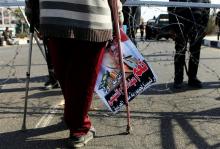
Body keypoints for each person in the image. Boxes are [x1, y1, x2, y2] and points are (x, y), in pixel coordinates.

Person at [26, 0, 123, 148]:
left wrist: (33, 14)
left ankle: (75, 117)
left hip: (53, 15)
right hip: (92, 16)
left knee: (66, 76)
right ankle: (79, 129)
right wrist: (118, 18)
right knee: (83, 79)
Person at [168, 0, 210, 89]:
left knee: (195, 52)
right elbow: (171, 5)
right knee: (180, 51)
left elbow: (207, 6)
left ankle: (192, 78)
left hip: (198, 22)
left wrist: (204, 25)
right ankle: (178, 79)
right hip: (180, 20)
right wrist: (172, 26)